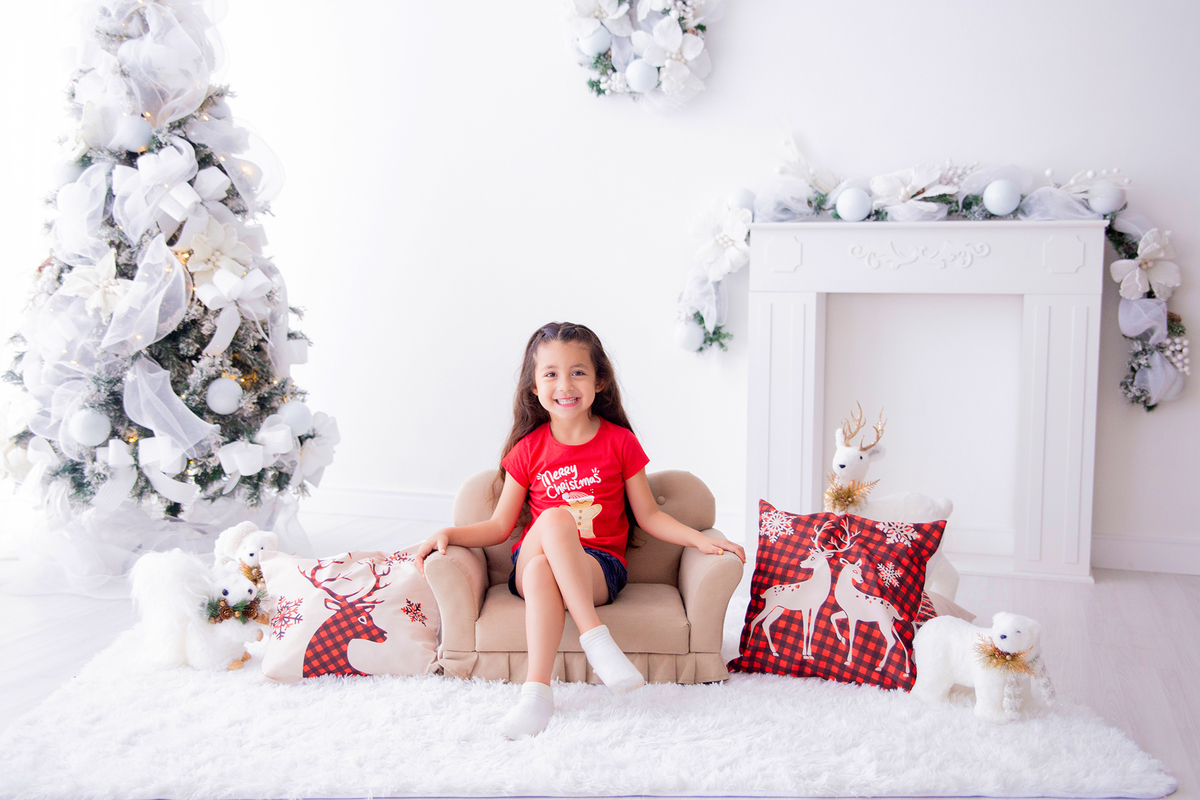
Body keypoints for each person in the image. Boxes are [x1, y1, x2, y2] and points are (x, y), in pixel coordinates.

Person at [415, 321, 745, 739]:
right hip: (530, 561)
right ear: (534, 386)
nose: (565, 385)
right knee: (554, 523)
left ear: (599, 381)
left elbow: (649, 516)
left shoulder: (620, 443)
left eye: (577, 372)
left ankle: (536, 695)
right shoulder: (527, 450)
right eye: (551, 374)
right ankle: (595, 640)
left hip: (599, 568)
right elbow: (499, 527)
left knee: (544, 566)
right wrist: (448, 533)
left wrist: (701, 539)